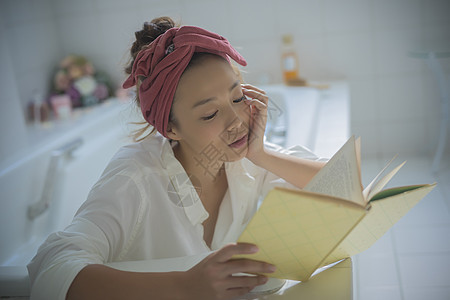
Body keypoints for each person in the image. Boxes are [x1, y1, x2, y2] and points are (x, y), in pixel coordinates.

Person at [27, 17, 326, 300]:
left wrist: (262, 155)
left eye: (237, 98)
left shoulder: (241, 156)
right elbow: (52, 268)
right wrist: (185, 286)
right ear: (170, 128)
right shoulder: (137, 176)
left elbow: (342, 183)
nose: (236, 121)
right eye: (210, 113)